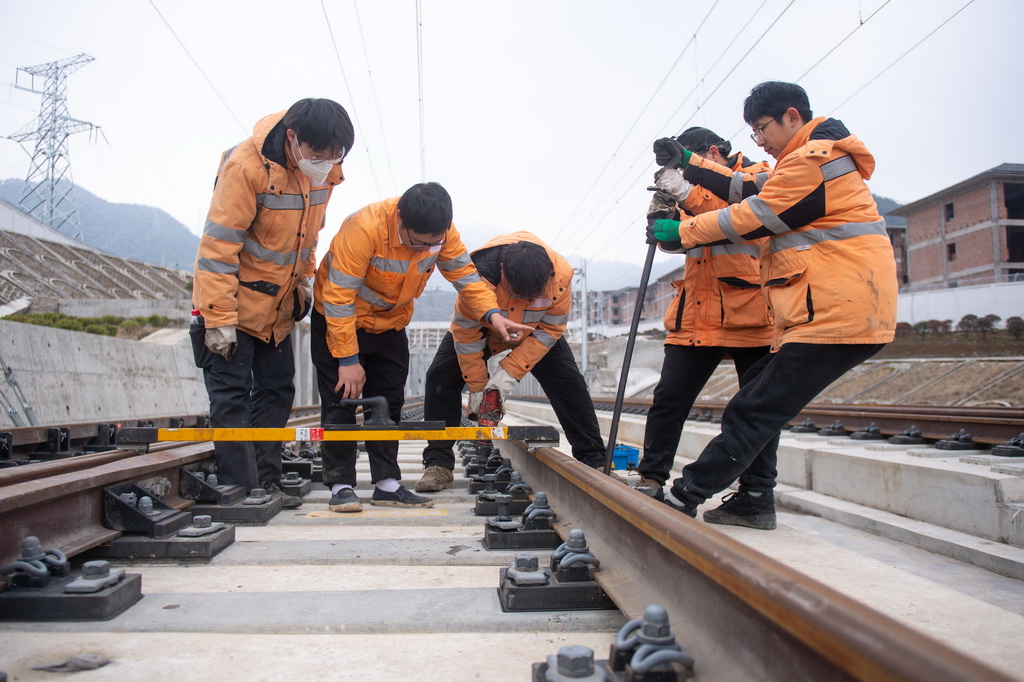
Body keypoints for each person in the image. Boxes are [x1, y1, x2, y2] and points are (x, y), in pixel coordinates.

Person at [648, 81, 897, 528]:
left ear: (791, 117)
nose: (759, 141)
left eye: (762, 129)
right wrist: (687, 163)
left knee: (754, 409)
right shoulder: (803, 161)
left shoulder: (813, 161)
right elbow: (744, 187)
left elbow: (756, 215)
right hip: (826, 309)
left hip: (833, 311)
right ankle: (755, 501)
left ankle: (685, 499)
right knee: (760, 407)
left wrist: (682, 232)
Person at [311, 182, 532, 512]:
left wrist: (494, 315)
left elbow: (467, 278)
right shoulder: (364, 229)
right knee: (341, 401)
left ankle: (386, 484)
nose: (425, 248)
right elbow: (338, 297)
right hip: (339, 319)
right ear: (399, 218)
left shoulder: (442, 233)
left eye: (433, 243)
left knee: (389, 403)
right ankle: (341, 485)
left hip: (391, 322)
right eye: (418, 242)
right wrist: (347, 358)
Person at [191, 98, 354, 509]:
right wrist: (218, 319)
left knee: (277, 391)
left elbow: (308, 236)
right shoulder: (244, 168)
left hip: (278, 310)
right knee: (231, 398)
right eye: (318, 155)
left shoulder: (323, 172)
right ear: (293, 139)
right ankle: (242, 490)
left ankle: (268, 480)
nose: (327, 164)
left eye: (334, 156)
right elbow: (218, 249)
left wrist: (303, 282)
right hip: (233, 306)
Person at [634, 127, 775, 511]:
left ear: (713, 152)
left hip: (752, 311)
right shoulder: (687, 187)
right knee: (669, 400)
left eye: (694, 163)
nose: (689, 173)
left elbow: (739, 216)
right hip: (696, 310)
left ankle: (757, 495)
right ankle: (651, 478)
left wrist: (684, 191)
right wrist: (663, 211)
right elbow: (674, 238)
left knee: (755, 408)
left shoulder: (759, 174)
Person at [415, 232, 609, 492]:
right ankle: (438, 465)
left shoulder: (560, 277)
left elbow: (550, 331)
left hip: (535, 330)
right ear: (503, 272)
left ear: (548, 276)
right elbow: (466, 334)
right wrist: (477, 388)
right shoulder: (476, 278)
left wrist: (505, 377)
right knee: (439, 378)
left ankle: (594, 460)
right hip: (482, 329)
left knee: (570, 385)